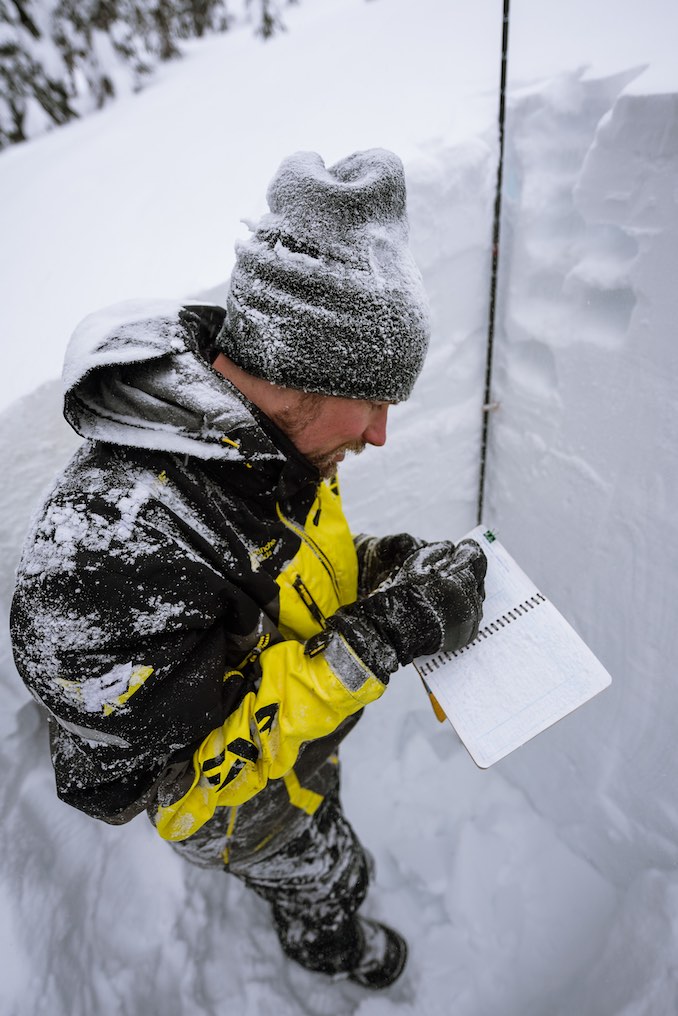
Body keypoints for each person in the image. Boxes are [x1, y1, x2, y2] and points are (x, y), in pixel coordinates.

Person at [10, 149, 486, 989]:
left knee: (321, 821)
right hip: (233, 800)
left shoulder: (268, 450)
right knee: (324, 872)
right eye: (374, 399)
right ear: (309, 370)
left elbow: (271, 585)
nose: (379, 435)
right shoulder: (107, 560)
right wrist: (378, 639)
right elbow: (189, 790)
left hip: (294, 740)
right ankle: (326, 943)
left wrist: (382, 574)